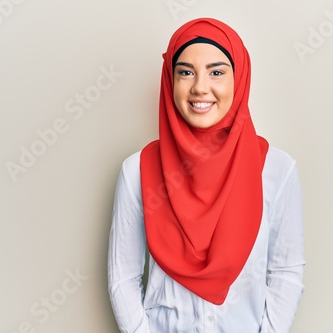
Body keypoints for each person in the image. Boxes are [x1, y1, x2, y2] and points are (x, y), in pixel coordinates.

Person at [108, 17, 305, 332]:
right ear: (169, 80)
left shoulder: (276, 169)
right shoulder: (138, 171)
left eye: (216, 72)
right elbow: (123, 277)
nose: (200, 87)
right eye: (185, 72)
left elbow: (286, 272)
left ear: (238, 79)